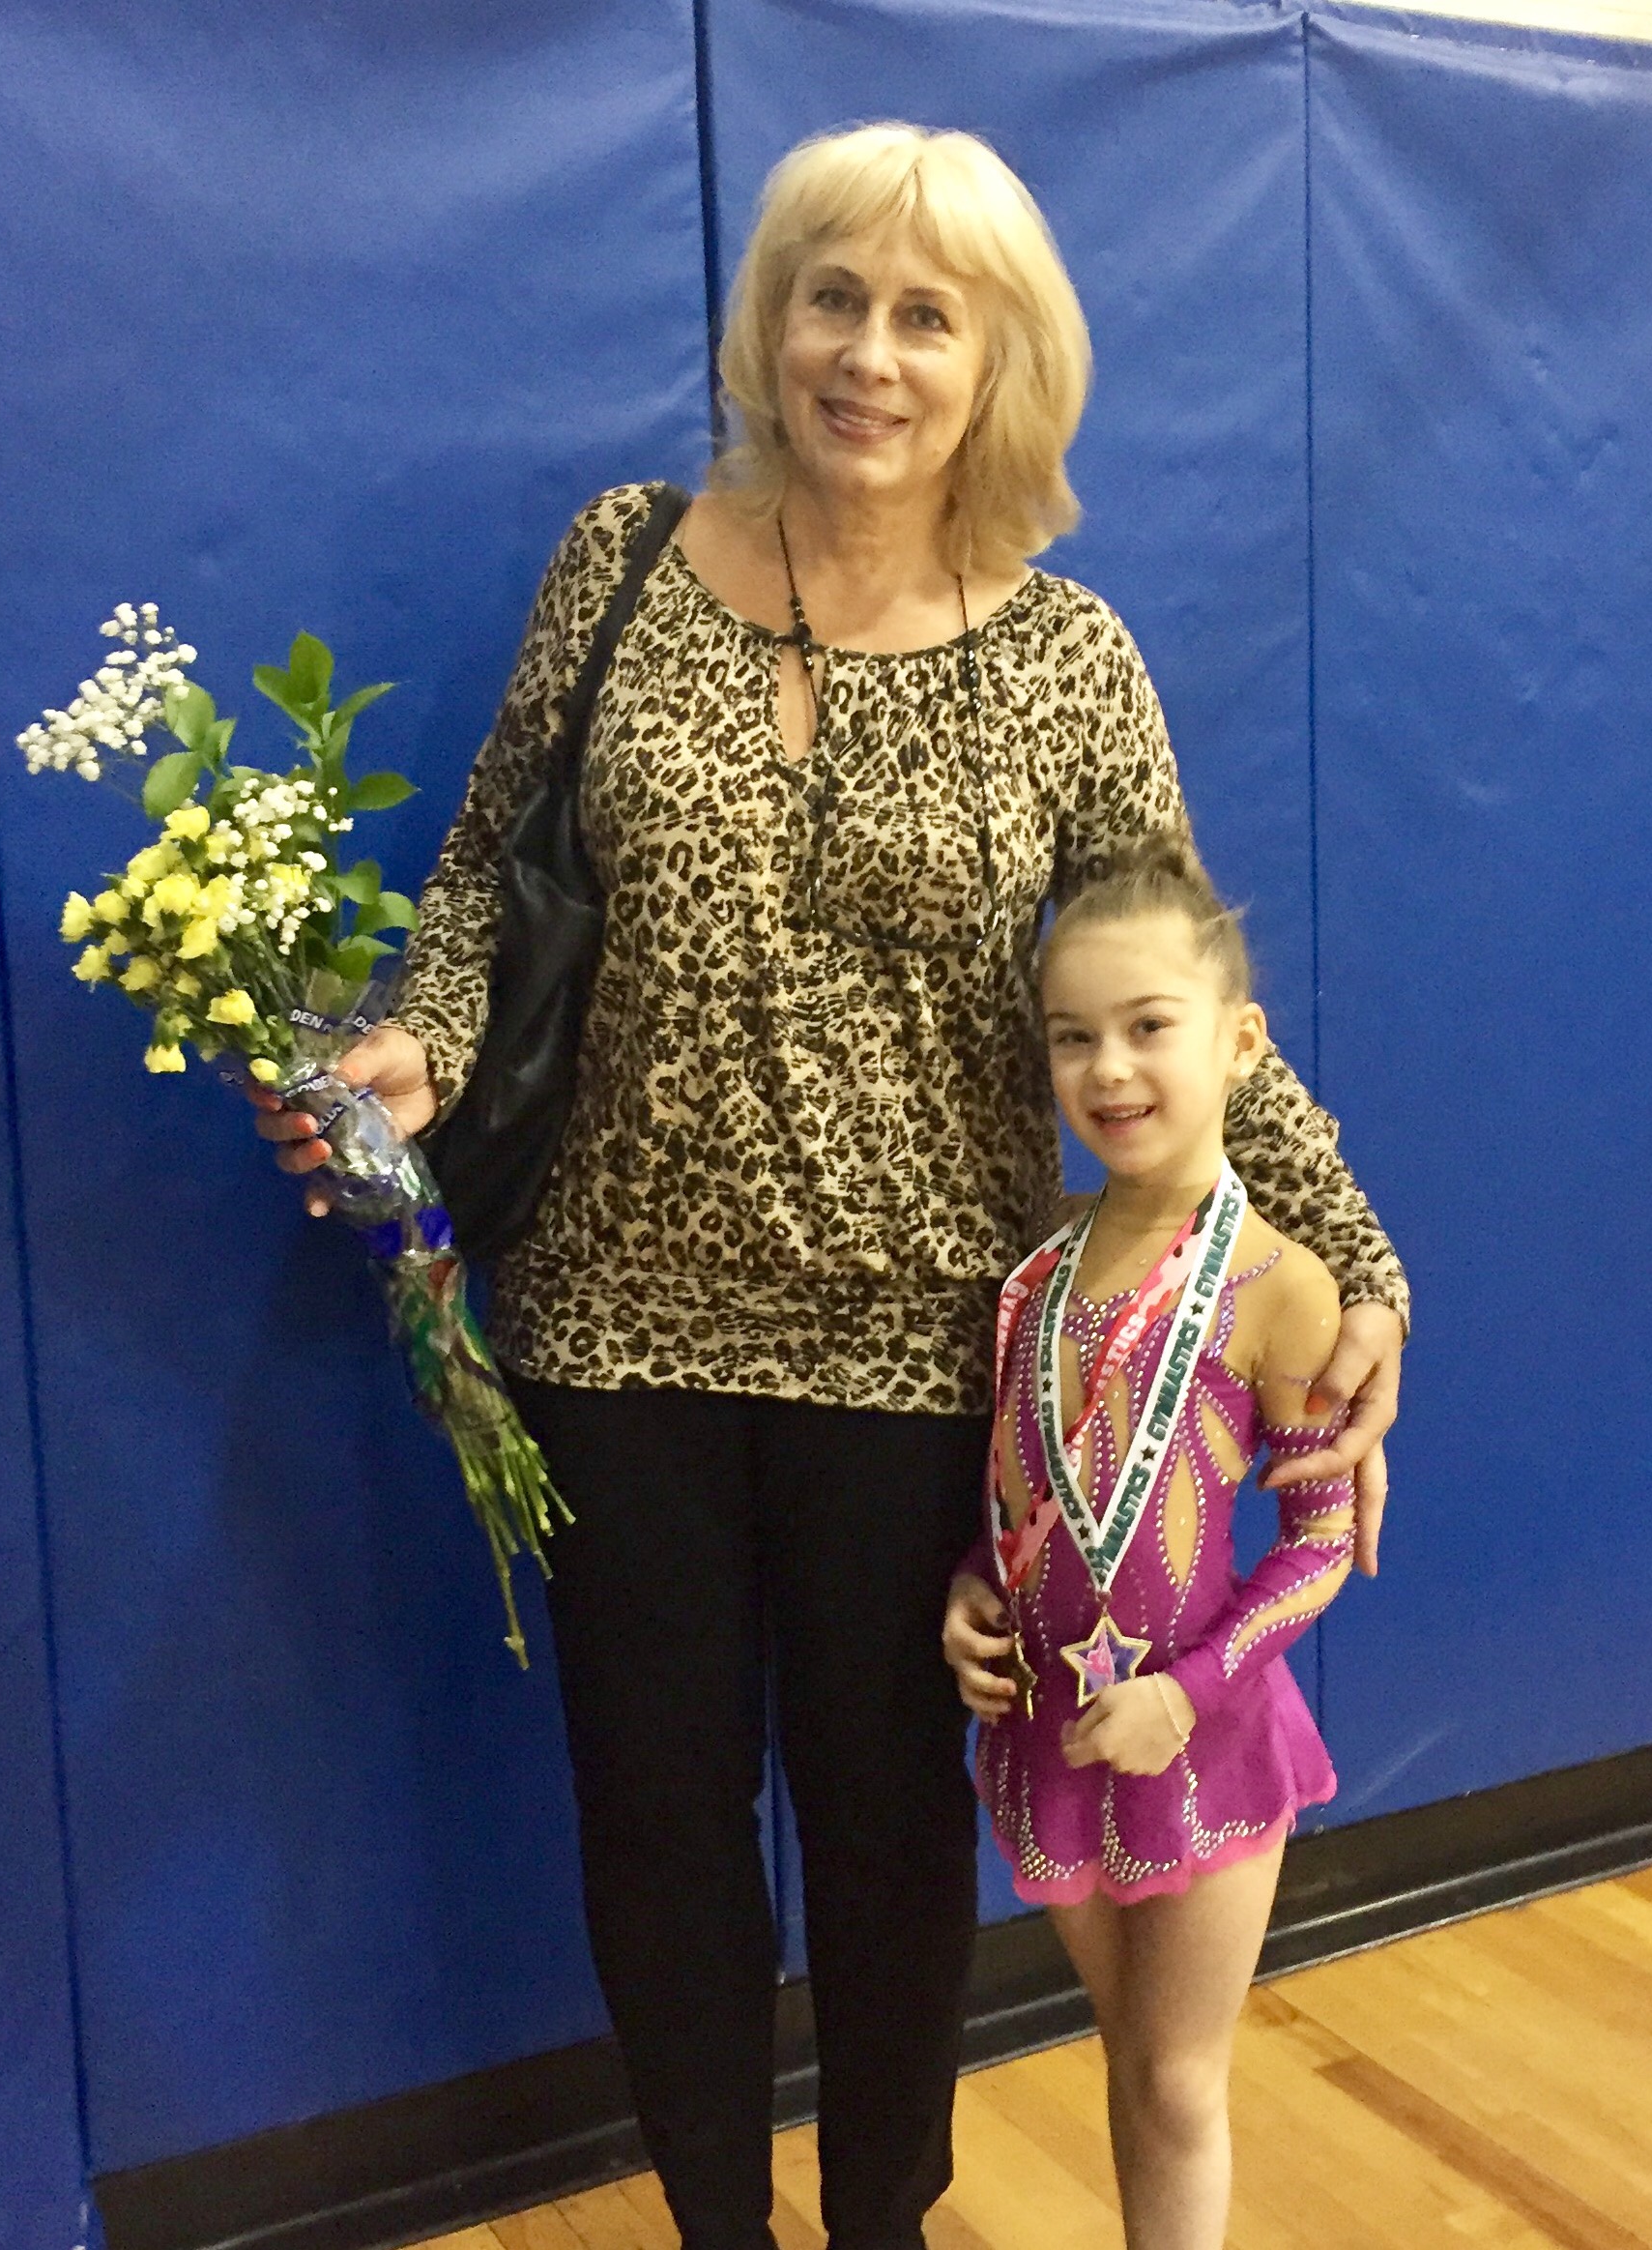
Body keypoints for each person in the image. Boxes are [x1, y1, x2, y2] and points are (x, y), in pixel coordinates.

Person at [253, 123, 1406, 2250]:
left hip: (924, 1355)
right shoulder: (620, 561)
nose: (867, 355)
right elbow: (490, 875)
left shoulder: (1064, 658)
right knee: (658, 1823)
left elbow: (1180, 1003)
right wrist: (416, 1039)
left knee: (886, 1833)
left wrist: (1349, 1261)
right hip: (611, 1328)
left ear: (998, 364)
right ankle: (719, 2226)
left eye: (924, 316)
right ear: (769, 321)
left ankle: (879, 2224)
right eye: (831, 298)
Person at [942, 835, 1355, 2250]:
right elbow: (1023, 1506)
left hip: (1202, 1732)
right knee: (1130, 2060)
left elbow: (1320, 1543)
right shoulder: (1034, 1280)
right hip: (1055, 1730)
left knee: (1179, 2081)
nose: (1108, 1070)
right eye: (1074, 1037)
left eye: (1147, 1027)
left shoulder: (1280, 1286)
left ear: (1239, 1041)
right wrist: (971, 1593)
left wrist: (1186, 1691)